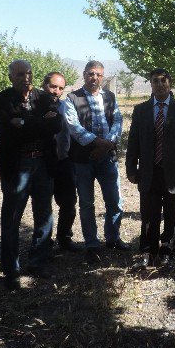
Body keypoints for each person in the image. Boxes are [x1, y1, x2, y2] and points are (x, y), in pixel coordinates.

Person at [0, 60, 61, 290]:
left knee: (44, 214)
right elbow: (7, 132)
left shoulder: (45, 98)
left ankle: (38, 262)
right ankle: (11, 269)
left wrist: (22, 123)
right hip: (17, 165)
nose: (26, 77)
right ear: (10, 77)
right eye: (20, 74)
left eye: (29, 73)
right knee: (12, 217)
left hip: (43, 162)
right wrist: (40, 123)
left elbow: (56, 126)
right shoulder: (0, 100)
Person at [126, 68, 175, 269]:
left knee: (173, 215)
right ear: (151, 84)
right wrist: (131, 168)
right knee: (149, 214)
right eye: (155, 81)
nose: (160, 84)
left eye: (164, 80)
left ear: (170, 83)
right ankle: (148, 251)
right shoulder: (141, 110)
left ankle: (167, 250)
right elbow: (133, 142)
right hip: (149, 171)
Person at [65, 60, 129, 265]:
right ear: (84, 74)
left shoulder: (110, 97)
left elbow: (118, 121)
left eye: (99, 75)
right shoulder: (72, 98)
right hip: (84, 160)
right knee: (86, 204)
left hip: (107, 159)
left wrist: (107, 145)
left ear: (103, 77)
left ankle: (112, 238)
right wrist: (97, 143)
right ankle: (91, 244)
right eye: (91, 74)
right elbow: (73, 127)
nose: (95, 78)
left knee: (114, 201)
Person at [41, 72, 80, 252]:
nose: (56, 91)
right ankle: (44, 243)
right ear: (44, 85)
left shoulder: (66, 107)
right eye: (53, 86)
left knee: (69, 202)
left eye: (60, 88)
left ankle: (64, 238)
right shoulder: (35, 107)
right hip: (42, 163)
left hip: (64, 162)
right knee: (43, 206)